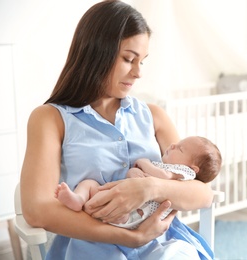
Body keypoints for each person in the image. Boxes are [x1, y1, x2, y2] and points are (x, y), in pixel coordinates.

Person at [20, 1, 217, 259]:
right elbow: (37, 210)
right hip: (92, 246)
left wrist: (149, 189)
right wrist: (128, 237)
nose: (137, 73)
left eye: (142, 62)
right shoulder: (50, 119)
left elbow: (201, 192)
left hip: (162, 244)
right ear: (96, 53)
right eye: (128, 59)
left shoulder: (153, 116)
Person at [55, 136, 222, 229]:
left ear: (194, 169)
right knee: (89, 183)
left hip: (138, 213)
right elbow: (138, 178)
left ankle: (118, 216)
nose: (172, 145)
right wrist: (133, 172)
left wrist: (143, 162)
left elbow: (162, 176)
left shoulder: (182, 173)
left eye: (180, 148)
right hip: (119, 199)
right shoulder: (168, 168)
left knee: (109, 201)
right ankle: (78, 199)